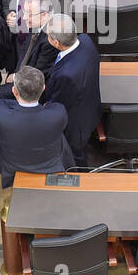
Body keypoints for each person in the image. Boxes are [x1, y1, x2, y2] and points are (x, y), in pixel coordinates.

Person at [0, 65, 73, 186]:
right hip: (50, 165)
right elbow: (54, 107)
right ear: (43, 88)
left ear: (14, 91)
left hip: (13, 164)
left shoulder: (0, 113)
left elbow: (2, 102)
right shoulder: (58, 113)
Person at [42, 14, 100, 168]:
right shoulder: (86, 40)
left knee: (75, 157)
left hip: (75, 123)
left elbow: (58, 103)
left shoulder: (66, 75)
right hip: (90, 103)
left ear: (56, 42)